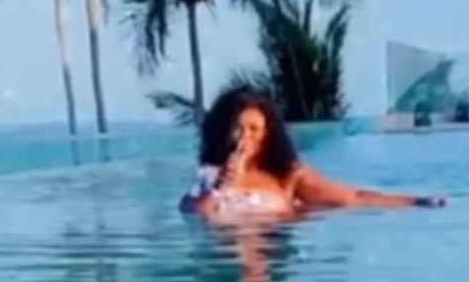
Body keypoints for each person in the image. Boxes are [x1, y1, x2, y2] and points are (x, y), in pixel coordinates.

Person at [180, 88, 446, 219]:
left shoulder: (287, 175)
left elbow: (351, 198)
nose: (245, 137)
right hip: (224, 262)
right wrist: (219, 187)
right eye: (238, 129)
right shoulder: (209, 175)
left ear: (268, 134)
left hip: (270, 256)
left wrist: (415, 201)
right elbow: (194, 214)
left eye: (254, 129)